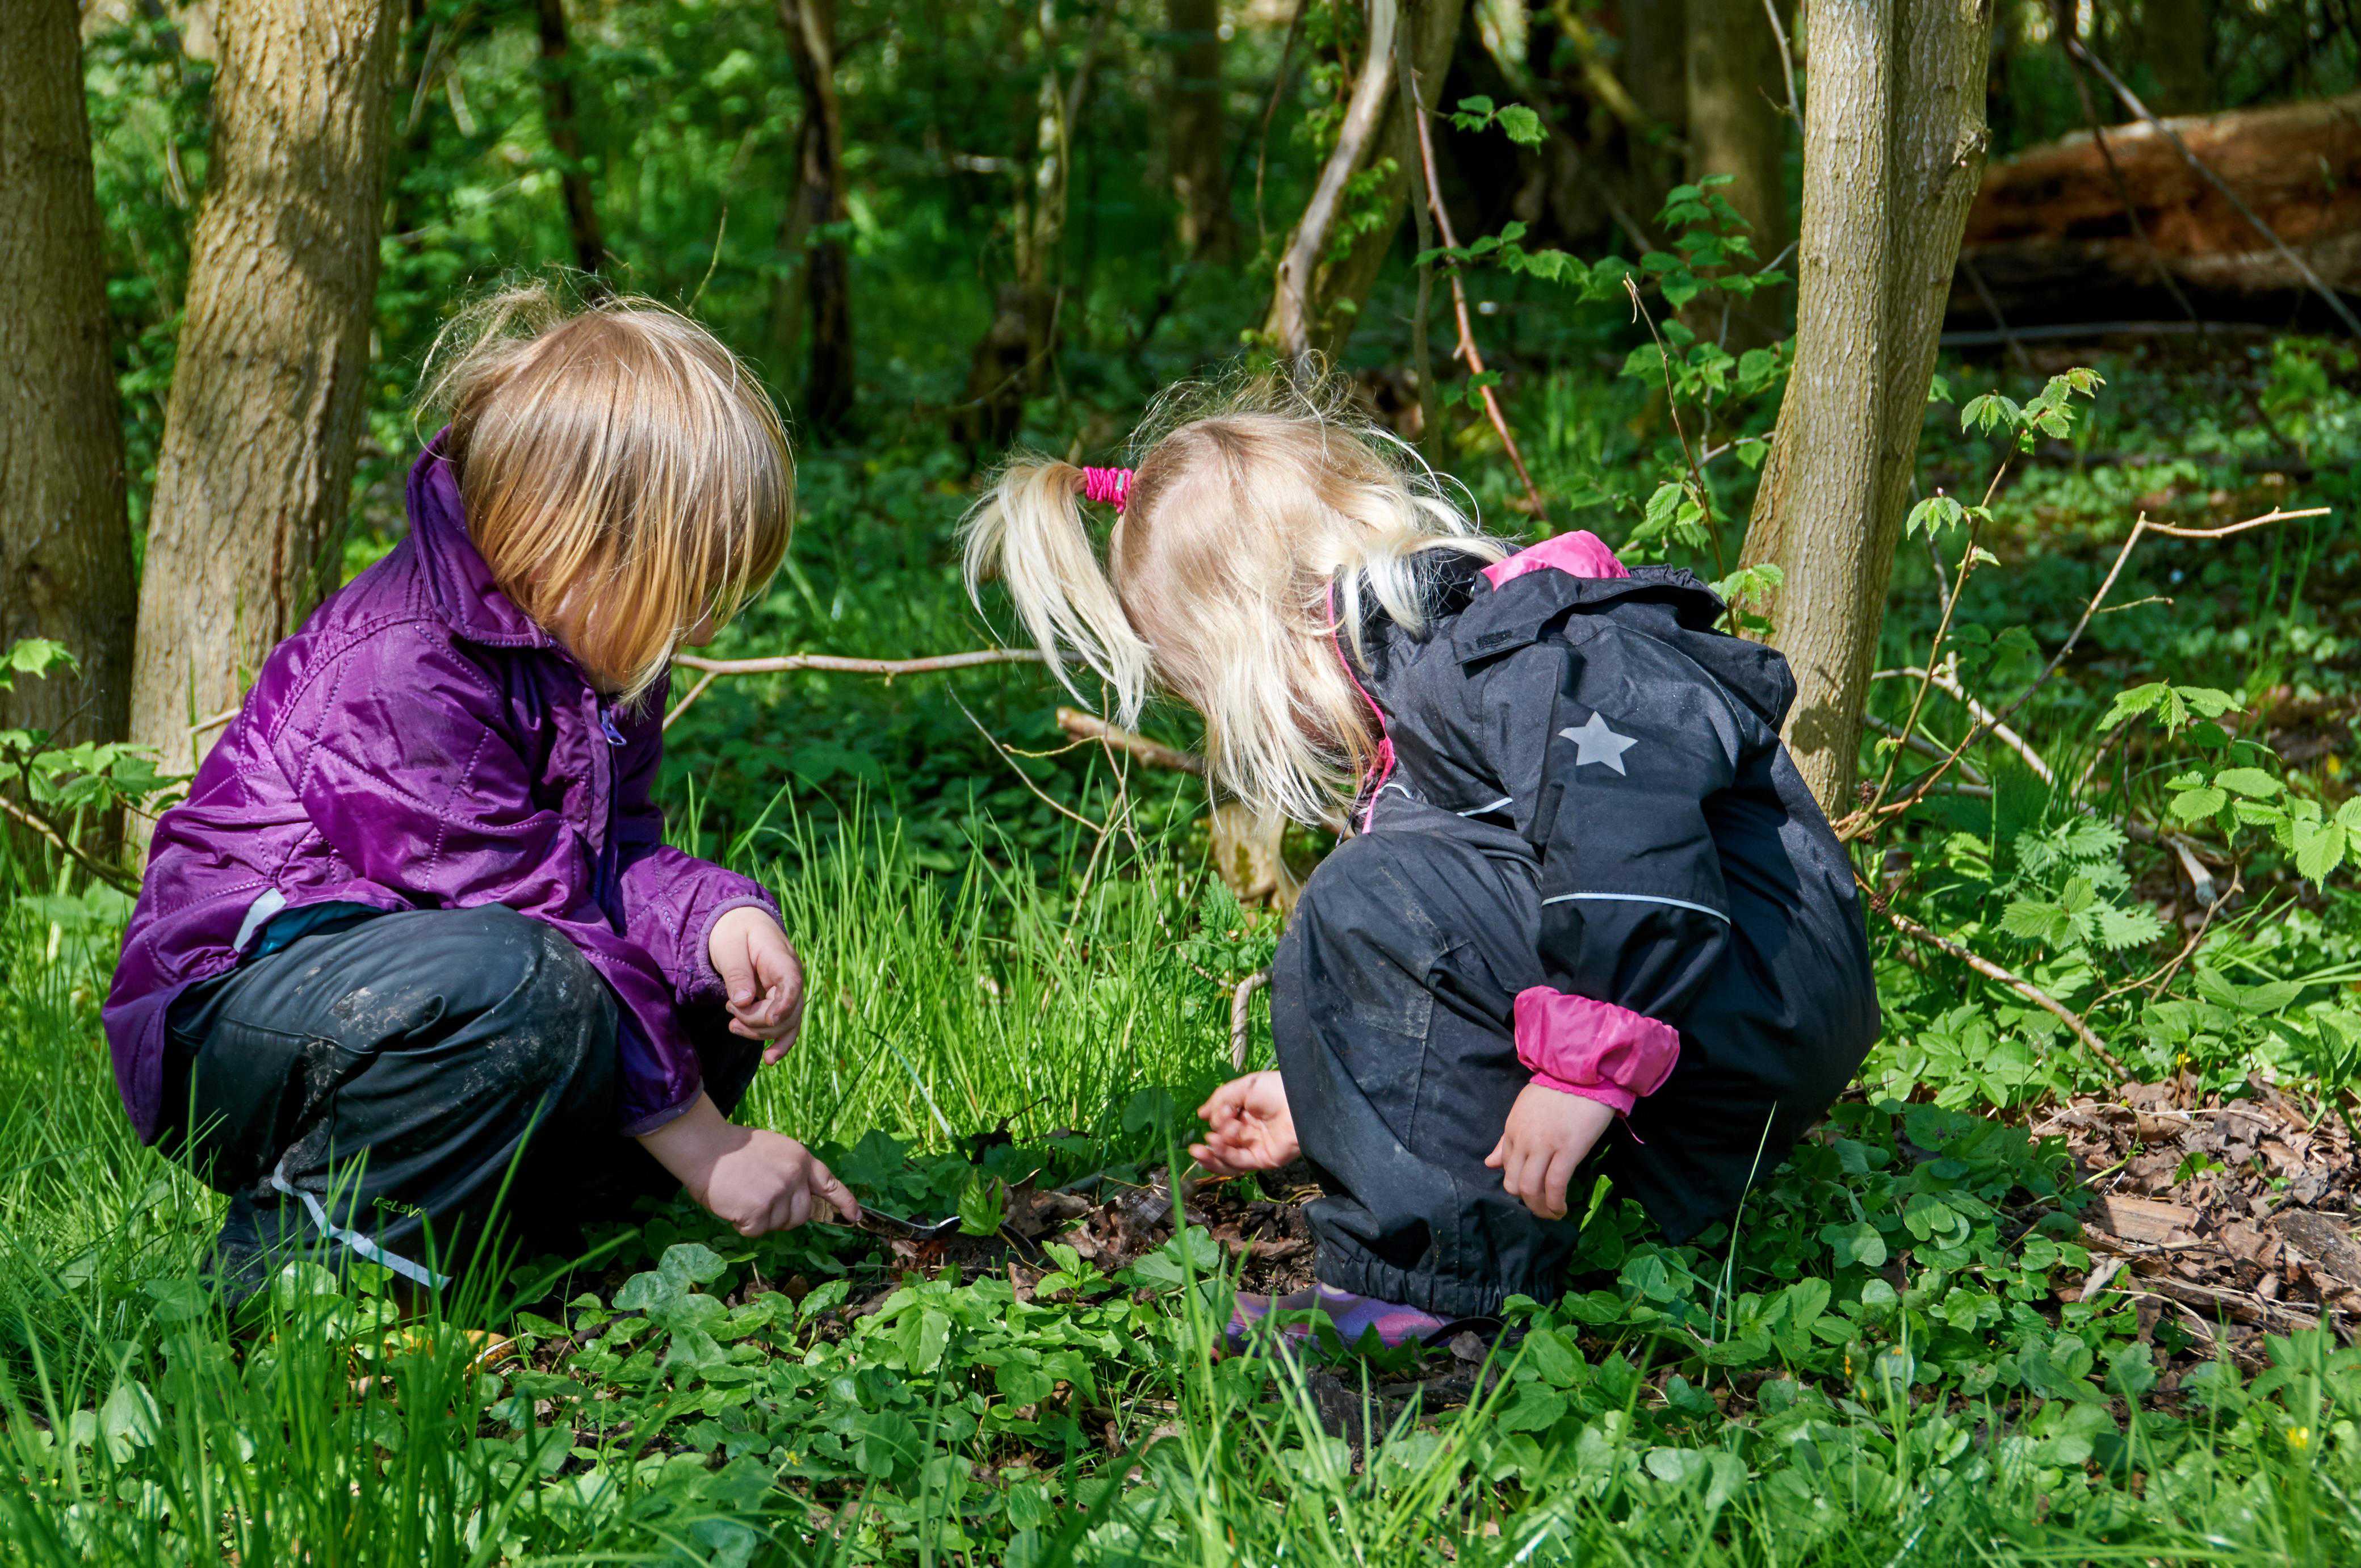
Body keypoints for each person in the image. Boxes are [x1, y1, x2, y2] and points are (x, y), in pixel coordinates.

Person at [963, 370, 1878, 1347]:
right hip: (1716, 990)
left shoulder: (1510, 648)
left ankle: (1426, 1286)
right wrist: (1332, 1100)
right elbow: (1465, 971)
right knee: (1382, 895)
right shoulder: (1439, 697)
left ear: (1269, 640)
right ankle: (1446, 1249)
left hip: (1746, 976)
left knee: (1371, 895)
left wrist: (1584, 1069)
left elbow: (1633, 832)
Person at [105, 290, 859, 1299]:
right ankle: (291, 1274)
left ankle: (528, 1233)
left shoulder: (600, 649)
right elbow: (527, 904)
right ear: (573, 540)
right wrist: (708, 1145)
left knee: (685, 979)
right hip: (235, 1011)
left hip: (437, 975)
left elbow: (605, 862)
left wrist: (717, 919)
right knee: (533, 979)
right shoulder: (405, 661)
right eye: (689, 590)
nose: (703, 632)